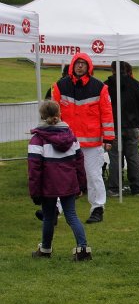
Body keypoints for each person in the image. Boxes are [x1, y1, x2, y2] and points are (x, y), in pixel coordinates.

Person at [52, 53, 114, 224]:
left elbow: (107, 114)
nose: (80, 66)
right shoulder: (59, 86)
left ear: (89, 66)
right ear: (72, 66)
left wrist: (108, 139)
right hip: (66, 140)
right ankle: (56, 209)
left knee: (94, 175)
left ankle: (98, 208)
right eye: (77, 63)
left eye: (83, 63)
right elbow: (53, 113)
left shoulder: (99, 87)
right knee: (61, 176)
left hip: (91, 143)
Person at [28, 100, 92, 261]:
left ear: (42, 116)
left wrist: (34, 192)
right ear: (59, 114)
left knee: (49, 217)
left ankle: (46, 249)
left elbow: (34, 169)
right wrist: (82, 184)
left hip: (47, 185)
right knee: (71, 215)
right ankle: (83, 249)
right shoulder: (71, 135)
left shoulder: (37, 139)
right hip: (69, 182)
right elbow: (79, 161)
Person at [105, 61, 139, 196]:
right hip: (132, 126)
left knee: (115, 157)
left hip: (114, 126)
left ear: (112, 69)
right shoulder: (138, 86)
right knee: (133, 156)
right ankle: (136, 187)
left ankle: (114, 187)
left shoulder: (106, 86)